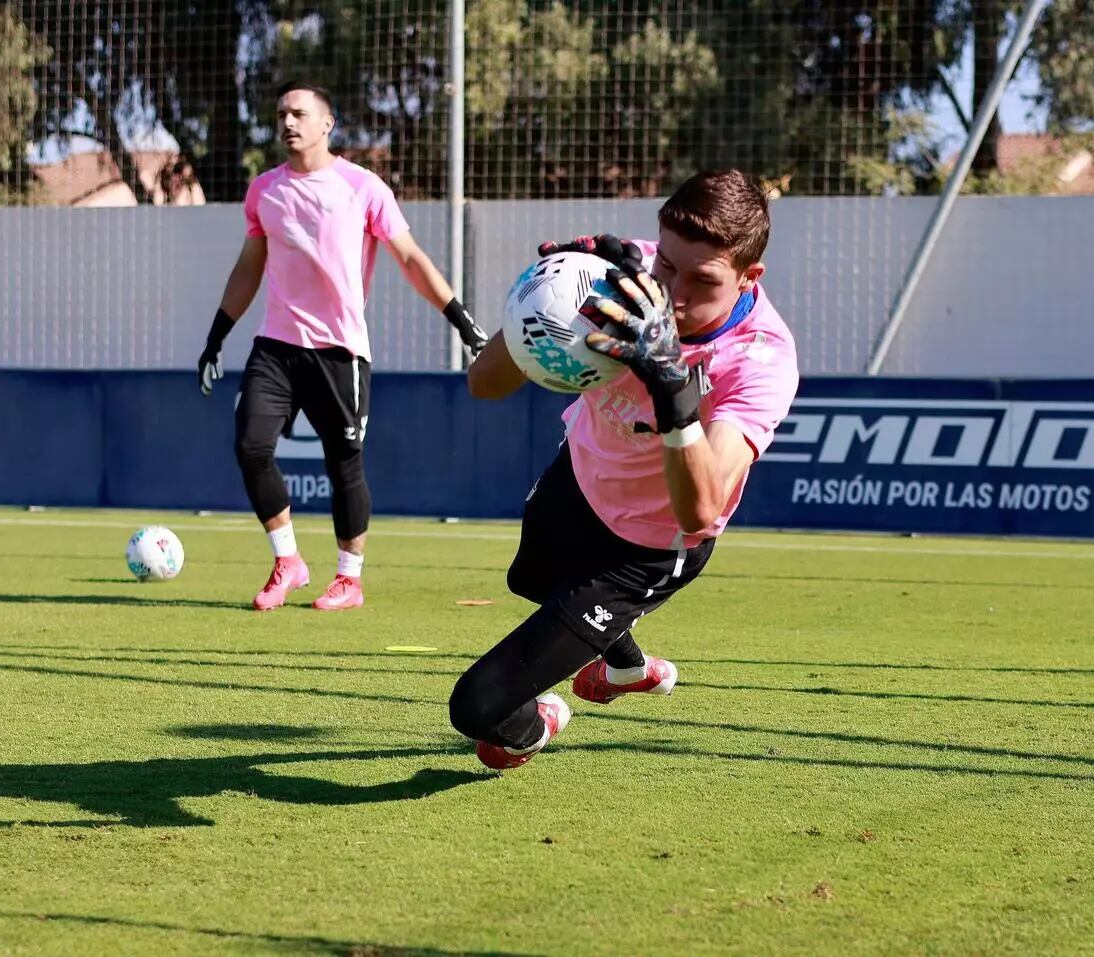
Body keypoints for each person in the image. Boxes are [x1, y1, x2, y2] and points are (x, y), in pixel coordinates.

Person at [449, 169, 799, 770]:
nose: (675, 292)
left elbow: (703, 509)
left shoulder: (761, 359)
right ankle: (627, 666)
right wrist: (545, 303)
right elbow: (485, 384)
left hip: (647, 549)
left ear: (748, 276)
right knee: (530, 581)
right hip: (578, 482)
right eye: (666, 265)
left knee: (478, 709)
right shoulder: (626, 275)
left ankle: (539, 726)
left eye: (703, 280)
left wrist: (672, 387)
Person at [197, 82, 488, 612]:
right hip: (276, 346)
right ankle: (288, 561)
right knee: (251, 447)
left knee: (344, 465)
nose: (288, 122)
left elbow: (411, 259)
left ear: (326, 124)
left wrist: (462, 321)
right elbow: (249, 267)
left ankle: (349, 578)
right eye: (281, 113)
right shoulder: (264, 190)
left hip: (340, 351)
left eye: (299, 113)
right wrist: (218, 334)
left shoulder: (362, 187)